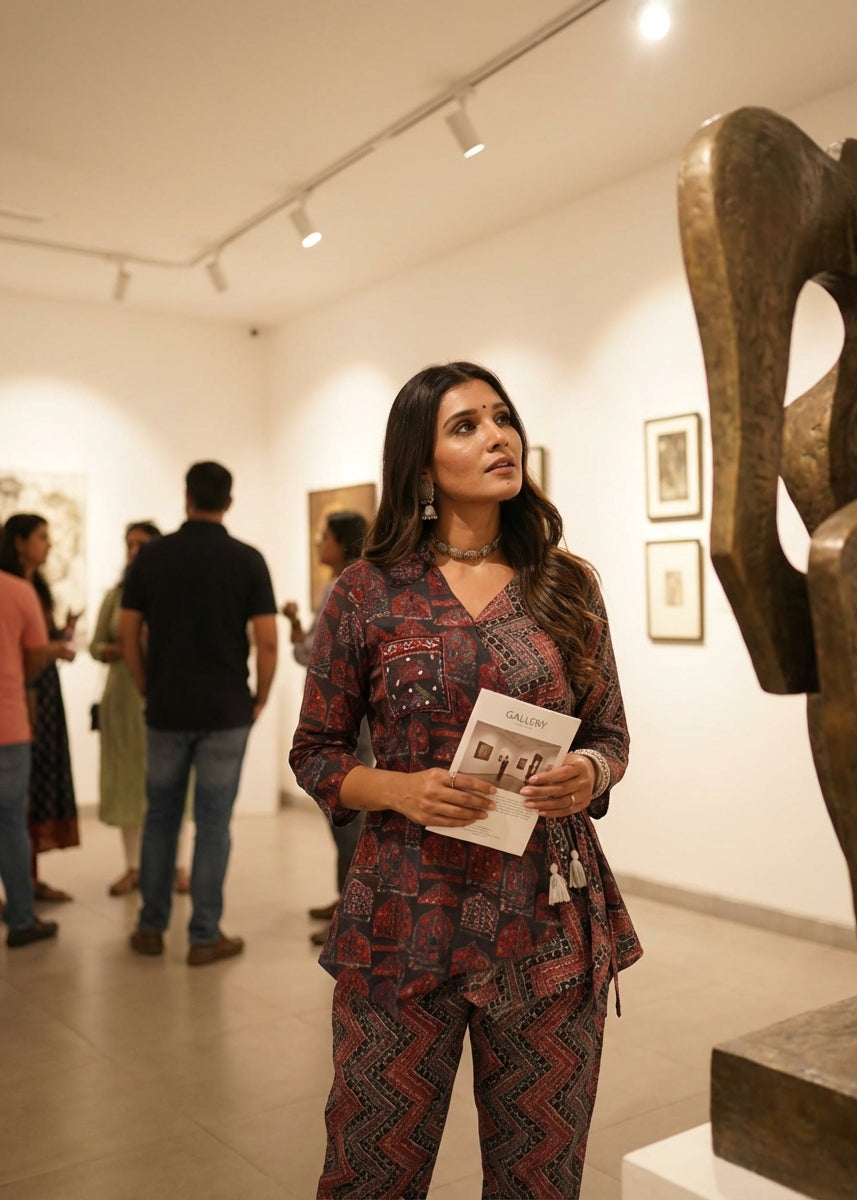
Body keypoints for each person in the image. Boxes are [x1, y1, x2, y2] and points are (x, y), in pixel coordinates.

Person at [290, 362, 643, 1200]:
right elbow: (316, 751)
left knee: (540, 1177)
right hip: (404, 915)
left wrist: (587, 773)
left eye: (503, 418)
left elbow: (611, 735)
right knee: (371, 1171)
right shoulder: (367, 593)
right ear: (420, 464)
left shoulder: (566, 583)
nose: (498, 437)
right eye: (466, 426)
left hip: (547, 920)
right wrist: (399, 790)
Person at [119, 461, 278, 966]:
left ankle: (150, 926)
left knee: (161, 817)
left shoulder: (151, 557)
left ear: (186, 497)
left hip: (166, 707)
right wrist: (261, 697)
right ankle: (204, 935)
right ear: (228, 501)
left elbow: (127, 633)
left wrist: (147, 685)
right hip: (226, 708)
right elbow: (268, 641)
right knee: (214, 824)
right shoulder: (248, 560)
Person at [89, 521, 193, 897]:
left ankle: (178, 867)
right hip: (122, 701)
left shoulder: (172, 590)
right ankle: (133, 867)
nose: (135, 550)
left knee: (174, 785)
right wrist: (114, 650)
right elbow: (95, 644)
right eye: (129, 543)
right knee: (127, 785)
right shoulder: (115, 596)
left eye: (142, 543)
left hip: (164, 696)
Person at [281, 510, 370, 944]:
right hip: (343, 718)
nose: (318, 544)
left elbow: (317, 656)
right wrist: (297, 626)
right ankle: (344, 900)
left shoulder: (347, 587)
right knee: (343, 810)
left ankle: (350, 910)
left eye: (323, 537)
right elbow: (313, 652)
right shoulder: (336, 586)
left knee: (350, 812)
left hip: (352, 721)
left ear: (341, 542)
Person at [0, 514, 80, 903]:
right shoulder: (16, 589)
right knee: (14, 808)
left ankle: (26, 883)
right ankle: (20, 898)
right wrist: (51, 649)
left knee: (27, 797)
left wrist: (59, 637)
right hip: (19, 703)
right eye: (42, 537)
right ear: (19, 542)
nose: (48, 545)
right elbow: (29, 655)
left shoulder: (35, 589)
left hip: (38, 698)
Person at [0, 566, 60, 946]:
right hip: (8, 721)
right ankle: (22, 919)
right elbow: (37, 655)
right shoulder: (18, 591)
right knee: (10, 826)